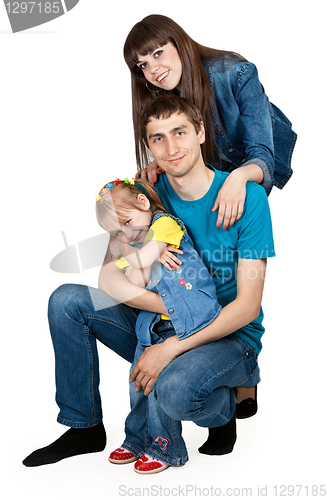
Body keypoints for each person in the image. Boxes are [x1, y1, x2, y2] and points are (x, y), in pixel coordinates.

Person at [22, 95, 274, 468]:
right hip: (158, 322)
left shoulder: (246, 197)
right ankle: (84, 426)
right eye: (158, 138)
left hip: (228, 334)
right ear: (148, 147)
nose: (171, 148)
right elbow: (109, 277)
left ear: (201, 132)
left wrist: (171, 348)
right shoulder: (142, 199)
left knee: (174, 389)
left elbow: (247, 306)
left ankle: (225, 402)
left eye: (180, 132)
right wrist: (167, 312)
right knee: (67, 301)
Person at [123, 13, 295, 414]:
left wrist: (240, 178)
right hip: (191, 176)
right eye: (142, 65)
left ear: (179, 43)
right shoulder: (157, 95)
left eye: (158, 54)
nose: (153, 70)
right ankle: (209, 351)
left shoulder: (234, 73)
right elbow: (164, 133)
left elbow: (262, 154)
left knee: (234, 264)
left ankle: (241, 368)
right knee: (193, 259)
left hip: (243, 168)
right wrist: (154, 175)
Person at [95, 177, 221, 473]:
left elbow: (145, 259)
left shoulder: (164, 223)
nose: (124, 233)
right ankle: (136, 439)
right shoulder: (139, 242)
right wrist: (138, 255)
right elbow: (135, 282)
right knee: (137, 382)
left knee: (157, 384)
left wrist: (133, 255)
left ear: (143, 203)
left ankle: (166, 447)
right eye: (116, 231)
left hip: (189, 317)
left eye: (127, 222)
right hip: (154, 323)